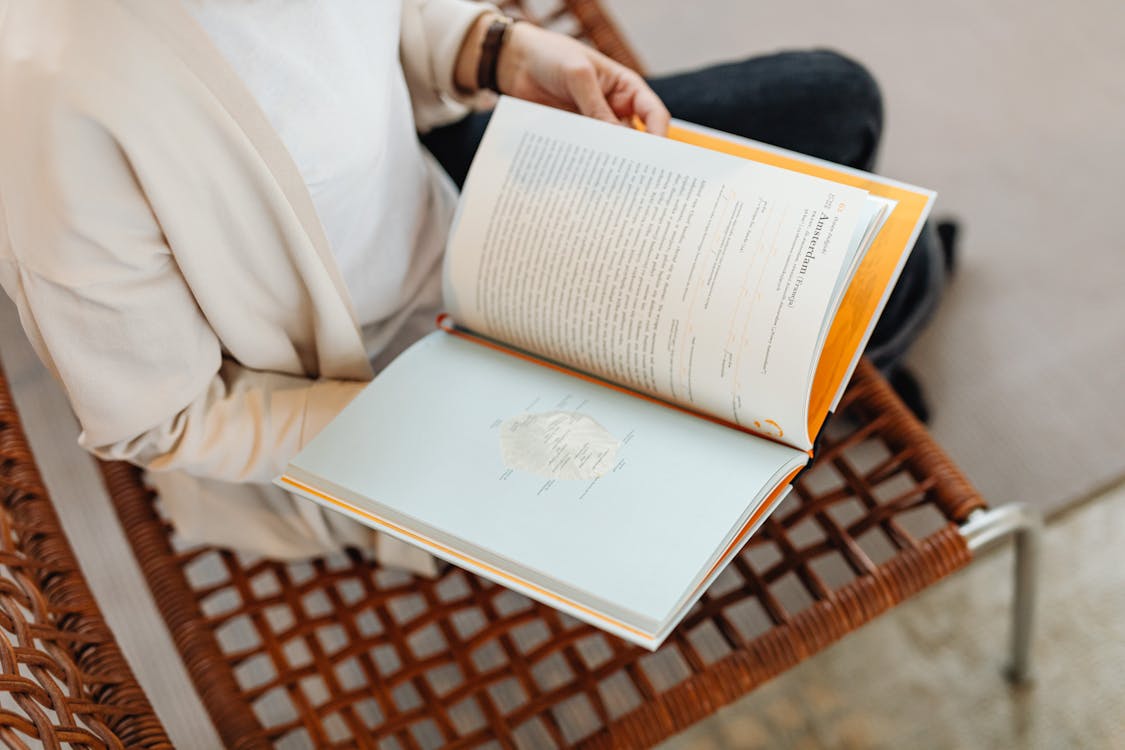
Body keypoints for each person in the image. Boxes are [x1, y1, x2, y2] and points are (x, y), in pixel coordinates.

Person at [0, 0, 907, 574]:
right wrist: (437, 418)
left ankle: (880, 330)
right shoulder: (48, 102)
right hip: (372, 389)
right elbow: (164, 418)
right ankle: (879, 346)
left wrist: (499, 52)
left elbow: (375, 29)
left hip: (453, 202)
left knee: (834, 101)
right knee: (863, 294)